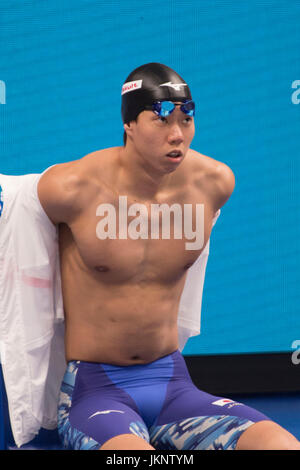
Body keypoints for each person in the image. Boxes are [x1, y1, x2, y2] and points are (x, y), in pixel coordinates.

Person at [37, 62, 300, 450]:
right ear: (129, 124)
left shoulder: (213, 183)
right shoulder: (71, 188)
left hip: (173, 383)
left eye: (186, 118)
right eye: (161, 120)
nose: (178, 134)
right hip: (94, 392)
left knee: (281, 445)